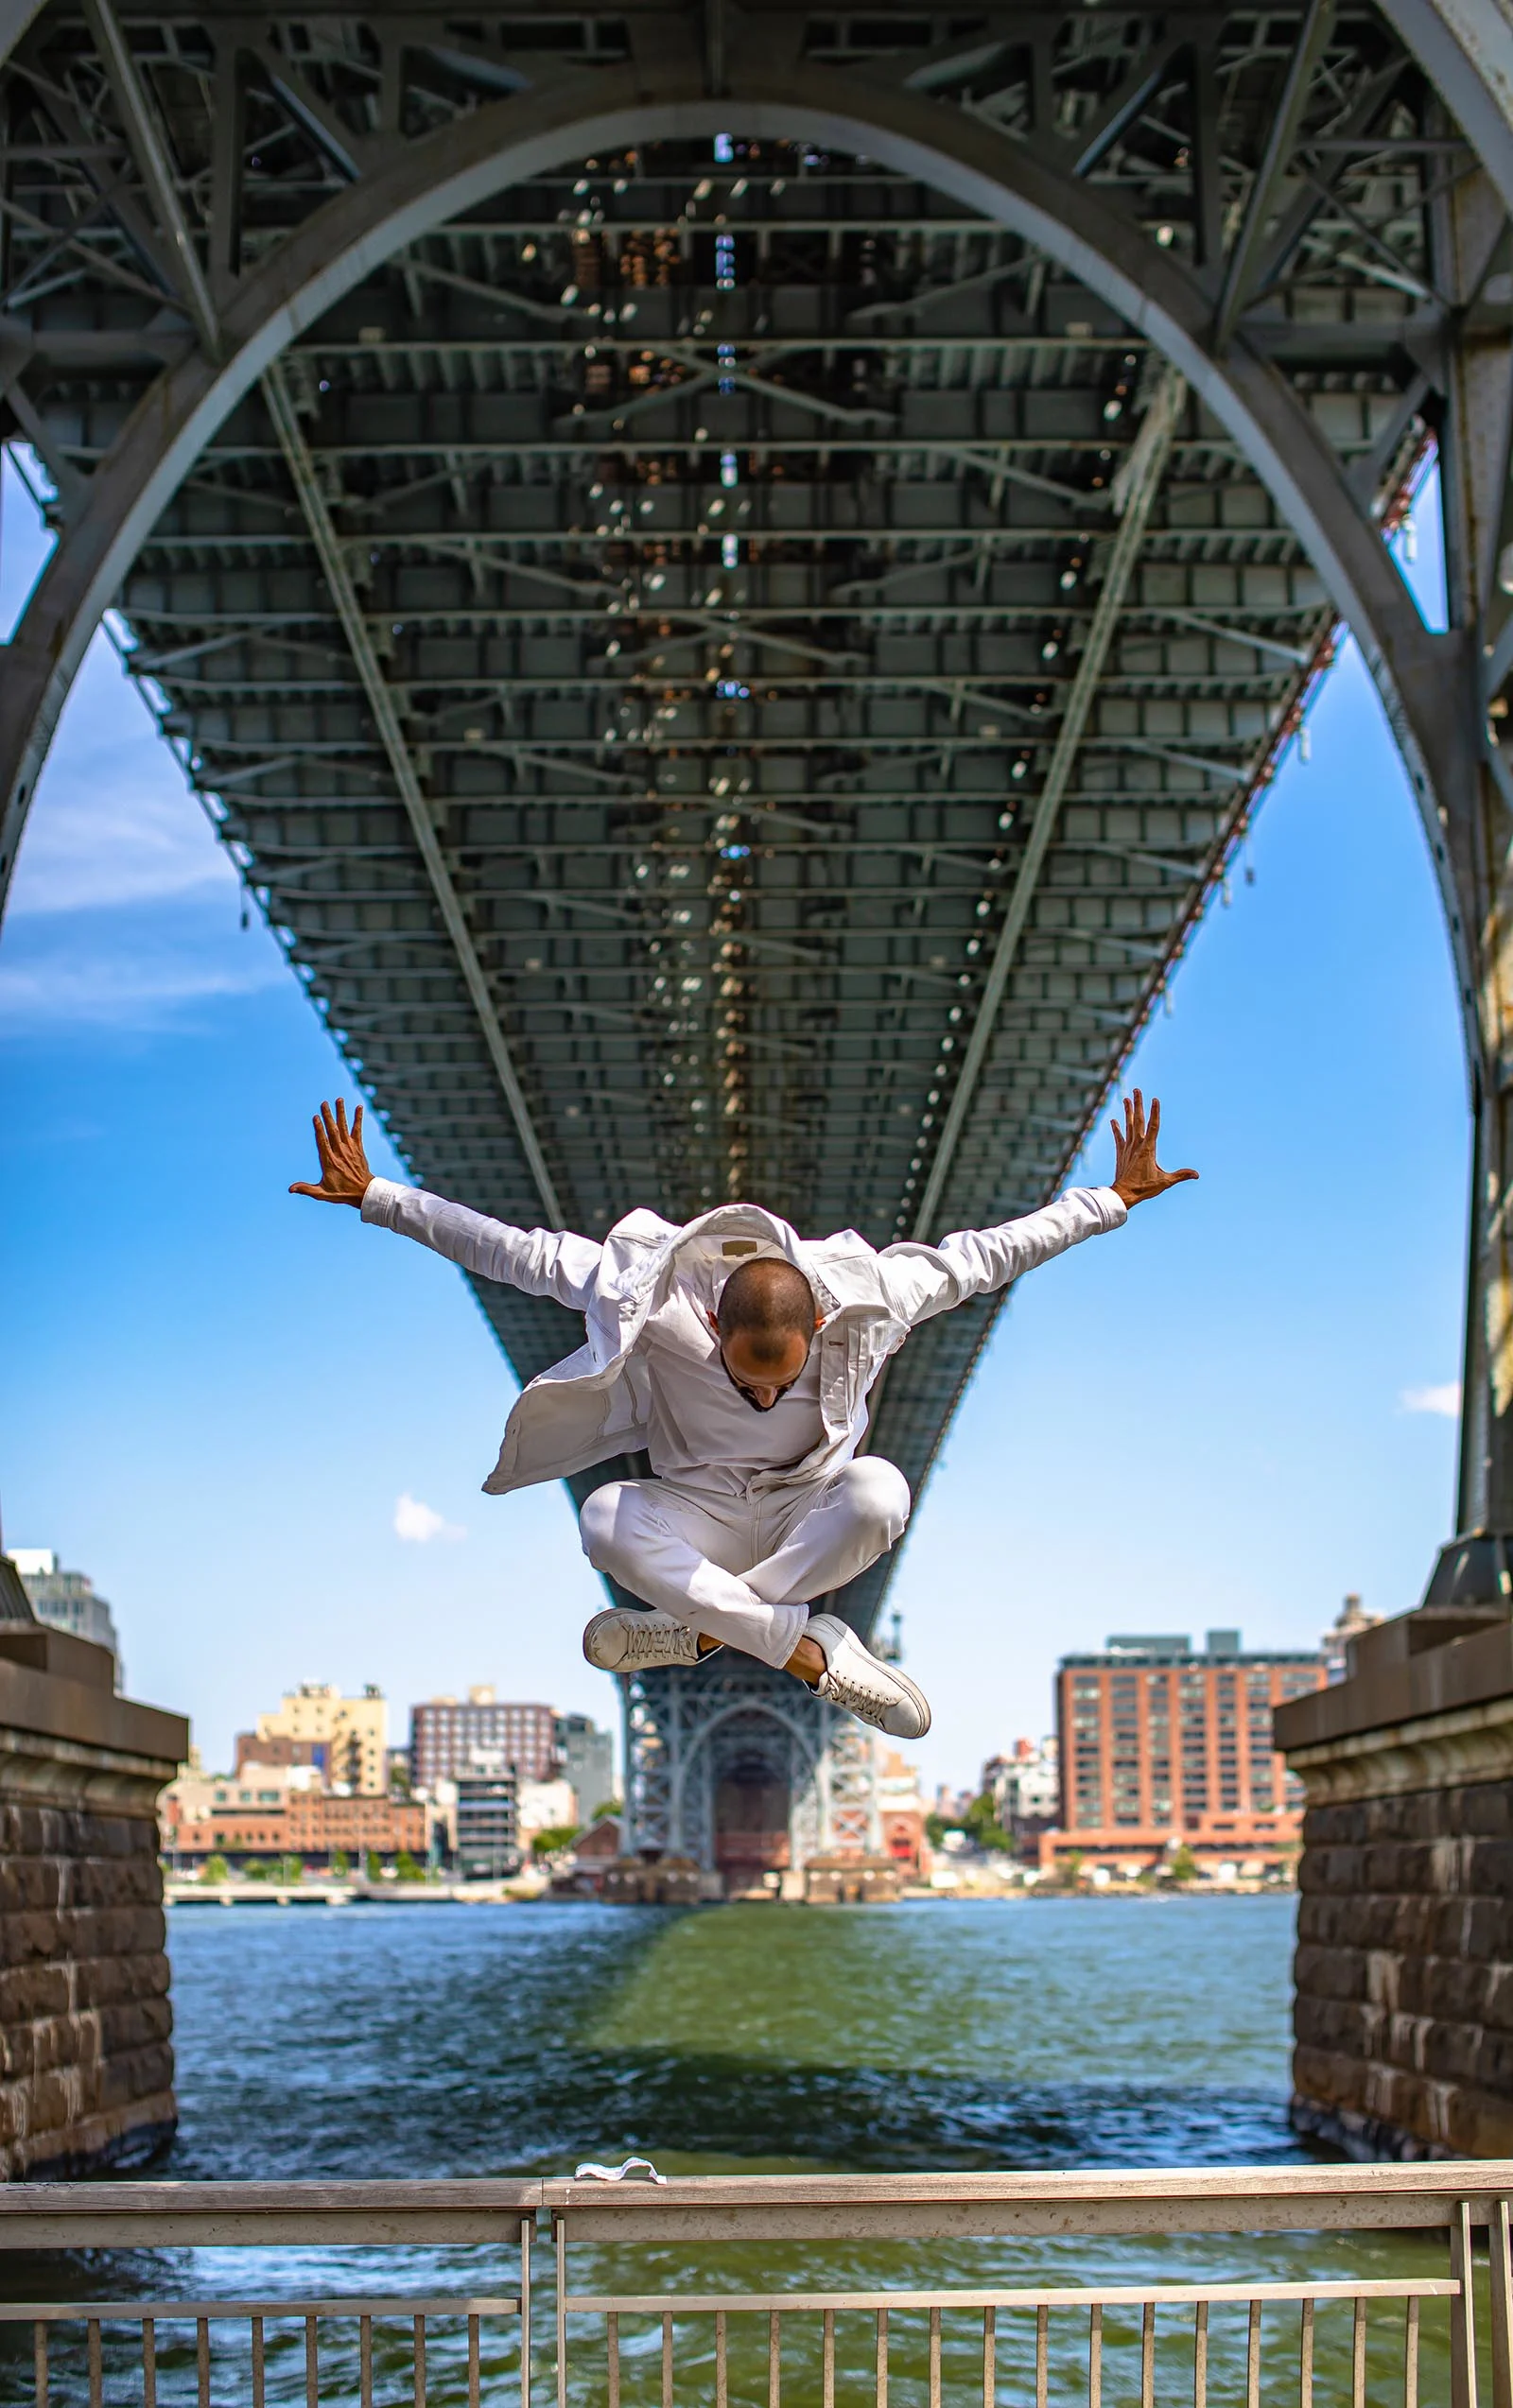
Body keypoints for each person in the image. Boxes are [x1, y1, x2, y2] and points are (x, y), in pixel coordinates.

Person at [291, 1090, 1195, 1737]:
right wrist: (379, 1196)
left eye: (781, 1382)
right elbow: (507, 1250)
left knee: (879, 1493)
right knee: (605, 1514)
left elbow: (985, 1255)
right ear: (715, 1320)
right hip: (701, 1514)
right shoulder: (645, 1290)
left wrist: (1110, 1201)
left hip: (805, 1508)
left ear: (822, 1325)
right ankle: (806, 1650)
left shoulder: (874, 1293)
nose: (764, 1395)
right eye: (746, 1378)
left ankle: (697, 1629)